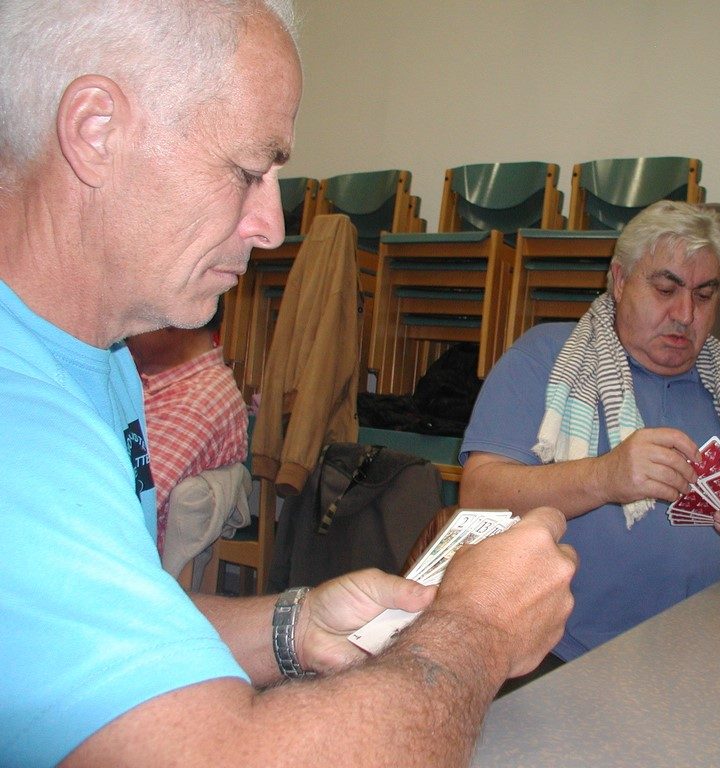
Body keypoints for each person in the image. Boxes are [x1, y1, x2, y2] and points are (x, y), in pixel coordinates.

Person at [0, 2, 576, 766]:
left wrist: (291, 626)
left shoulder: (98, 360)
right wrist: (479, 631)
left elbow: (102, 642)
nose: (272, 225)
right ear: (96, 131)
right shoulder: (21, 427)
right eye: (248, 171)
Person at [459, 200, 720, 664]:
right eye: (666, 288)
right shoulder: (546, 356)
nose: (686, 313)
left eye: (705, 295)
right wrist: (604, 477)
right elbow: (477, 494)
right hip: (557, 653)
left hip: (711, 651)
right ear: (620, 280)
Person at [126, 300, 248, 555]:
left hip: (122, 564)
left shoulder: (200, 399)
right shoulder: (164, 385)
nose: (125, 329)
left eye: (135, 316)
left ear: (178, 319)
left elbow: (131, 506)